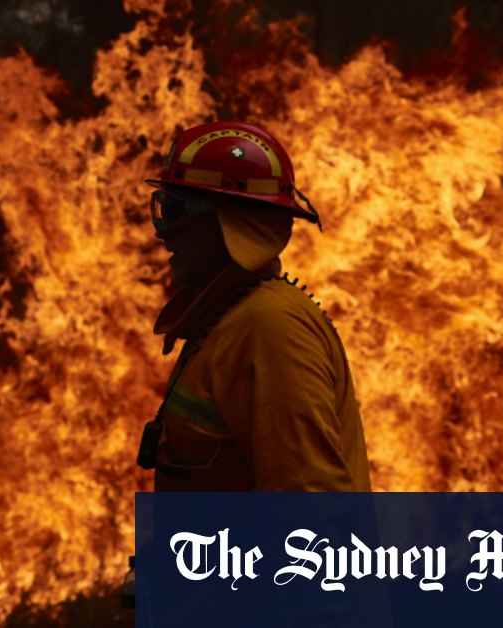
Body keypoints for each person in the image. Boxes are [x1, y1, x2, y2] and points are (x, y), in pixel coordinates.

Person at [136, 120, 372, 492]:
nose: (162, 231)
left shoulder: (271, 329)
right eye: (162, 207)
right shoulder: (227, 317)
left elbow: (314, 509)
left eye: (175, 209)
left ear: (232, 221)